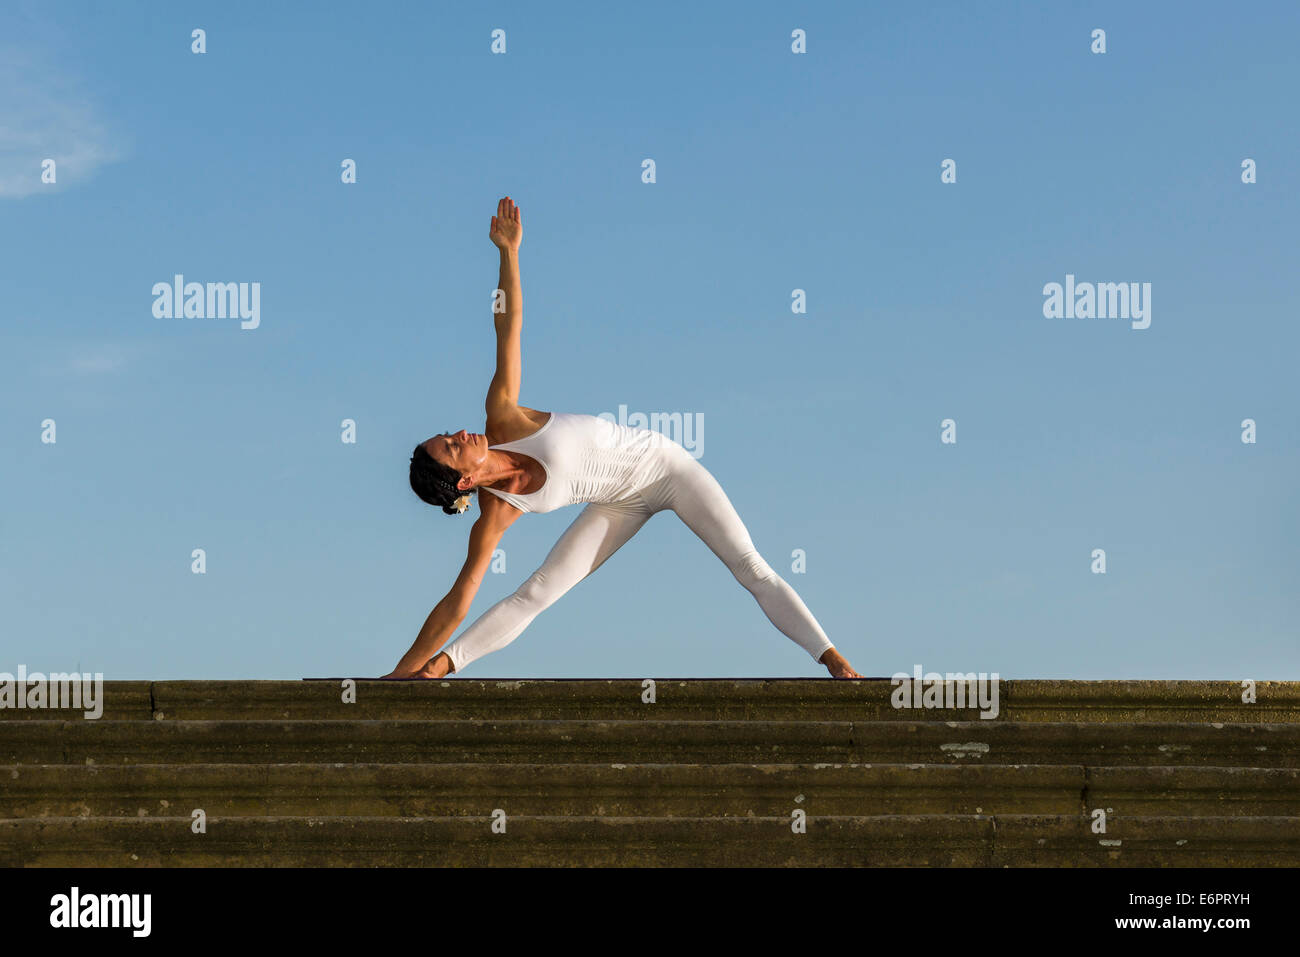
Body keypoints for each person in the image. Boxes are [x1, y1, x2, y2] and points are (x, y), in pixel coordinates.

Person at [384, 196, 863, 679]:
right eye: (450, 446)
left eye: (448, 434)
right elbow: (459, 598)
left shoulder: (503, 416)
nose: (460, 433)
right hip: (618, 505)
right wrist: (403, 670)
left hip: (667, 468)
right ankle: (437, 669)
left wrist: (508, 253)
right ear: (462, 483)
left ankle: (834, 660)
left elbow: (508, 327)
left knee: (749, 566)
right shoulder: (495, 514)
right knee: (536, 594)